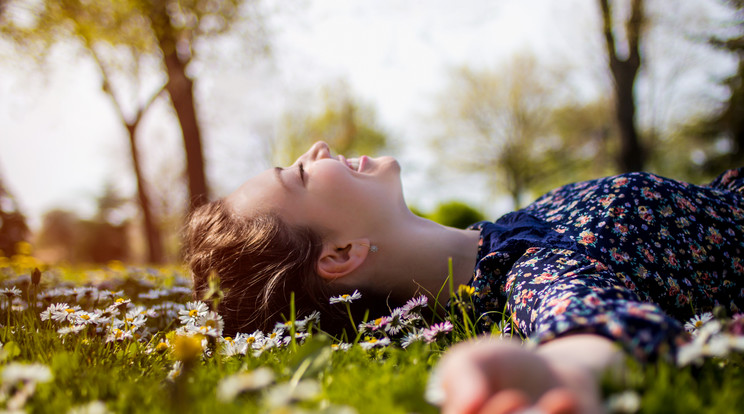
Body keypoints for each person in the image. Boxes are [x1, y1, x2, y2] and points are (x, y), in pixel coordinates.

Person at [183, 141, 744, 413]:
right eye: (302, 173)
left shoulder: (503, 233)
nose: (319, 148)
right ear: (340, 255)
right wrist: (561, 375)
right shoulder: (527, 273)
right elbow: (586, 322)